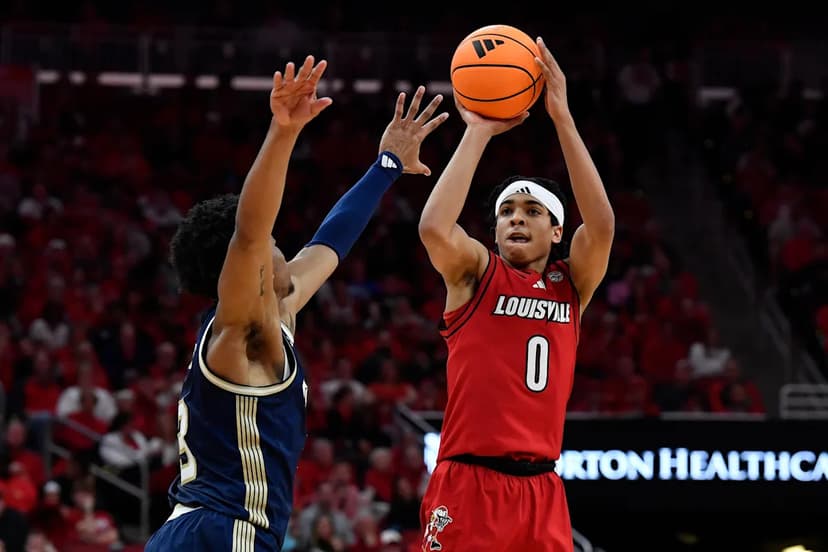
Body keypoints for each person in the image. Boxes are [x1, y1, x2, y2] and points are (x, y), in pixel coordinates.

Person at [145, 55, 448, 551]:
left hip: (204, 531)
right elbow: (249, 232)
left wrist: (387, 165)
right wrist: (282, 132)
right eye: (274, 241)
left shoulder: (275, 314)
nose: (287, 245)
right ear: (248, 266)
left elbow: (330, 242)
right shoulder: (241, 334)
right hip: (225, 532)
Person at [417, 37, 615, 551]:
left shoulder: (570, 285)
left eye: (532, 212)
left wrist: (563, 120)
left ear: (556, 232)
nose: (516, 219)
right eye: (506, 212)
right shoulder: (476, 273)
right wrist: (477, 133)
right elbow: (436, 228)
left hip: (542, 487)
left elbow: (603, 224)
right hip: (468, 482)